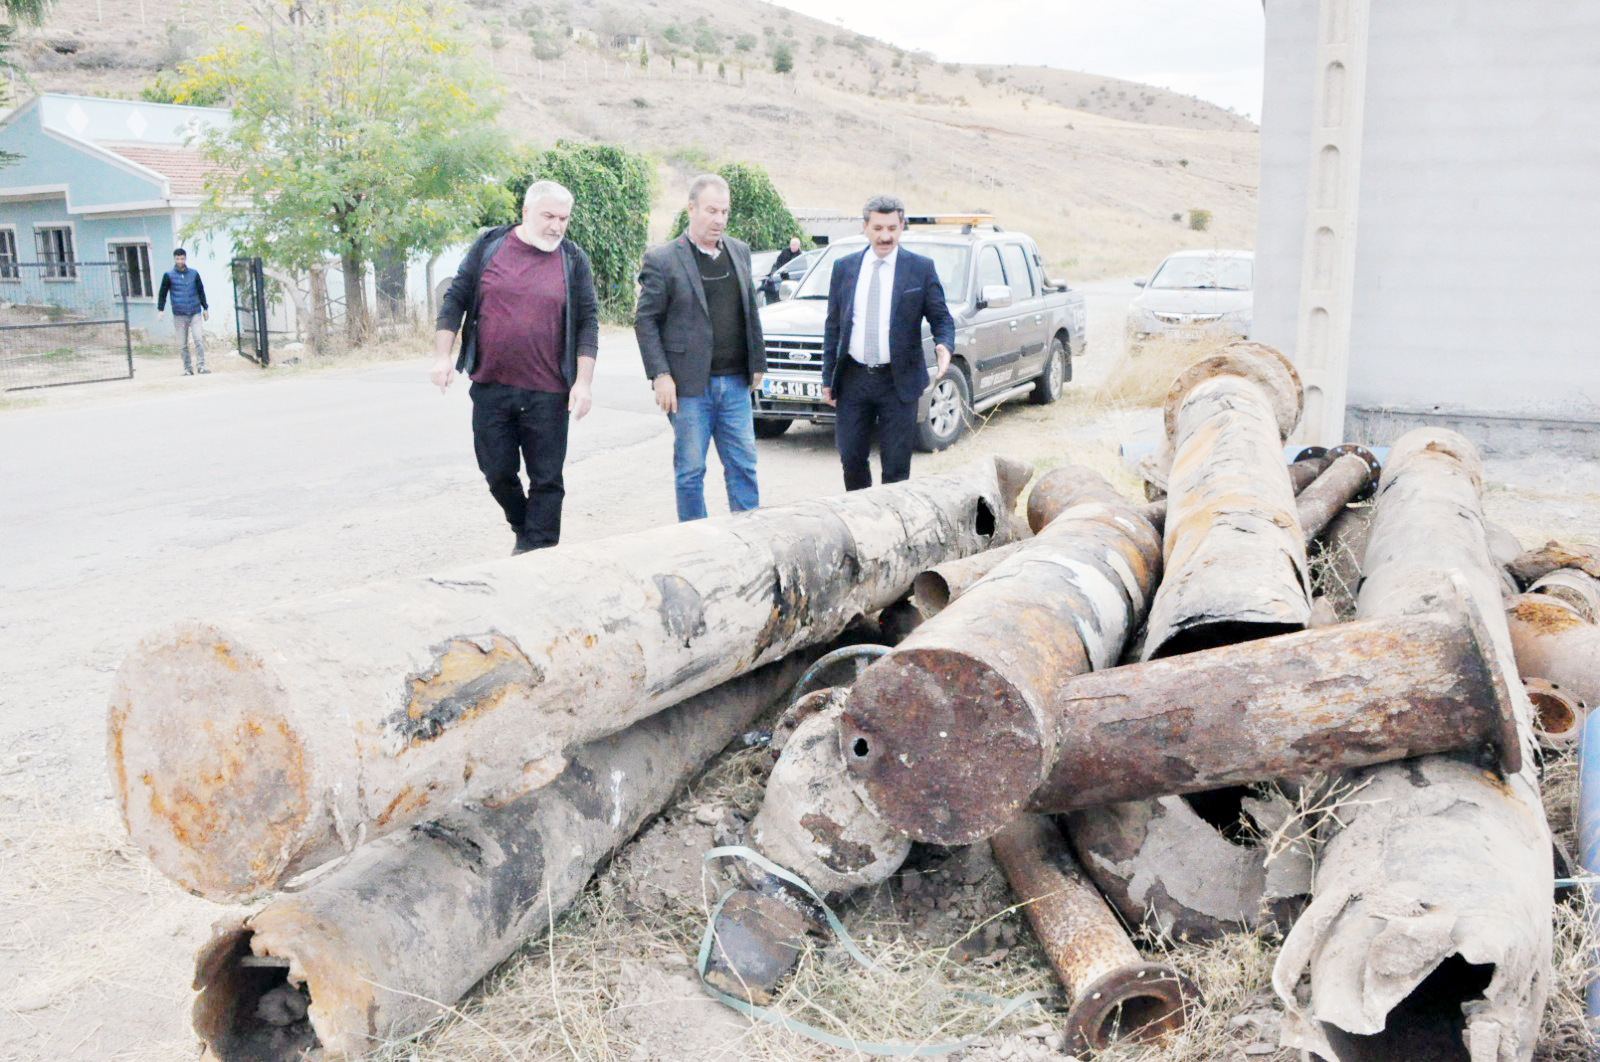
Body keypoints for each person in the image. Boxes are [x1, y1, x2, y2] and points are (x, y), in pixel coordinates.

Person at [431, 180, 599, 554]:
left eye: (564, 218)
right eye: (549, 216)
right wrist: (443, 355)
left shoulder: (572, 260)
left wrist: (583, 382)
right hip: (492, 386)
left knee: (546, 480)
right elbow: (455, 298)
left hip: (550, 392)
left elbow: (588, 322)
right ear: (525, 212)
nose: (557, 226)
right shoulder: (490, 246)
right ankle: (523, 526)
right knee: (497, 473)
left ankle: (538, 551)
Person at [635, 174, 767, 522]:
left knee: (743, 466)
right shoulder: (663, 259)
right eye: (712, 210)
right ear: (691, 208)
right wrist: (660, 375)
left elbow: (749, 310)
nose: (719, 219)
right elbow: (645, 321)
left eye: (725, 211)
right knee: (691, 471)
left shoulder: (739, 252)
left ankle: (751, 537)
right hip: (689, 388)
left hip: (735, 385)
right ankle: (696, 544)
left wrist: (758, 362)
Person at [821, 194, 954, 490]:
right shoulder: (844, 268)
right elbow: (833, 326)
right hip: (854, 379)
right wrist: (827, 378)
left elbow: (941, 318)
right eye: (878, 228)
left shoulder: (920, 269)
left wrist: (944, 345)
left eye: (892, 228)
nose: (885, 236)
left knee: (896, 467)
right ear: (865, 227)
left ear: (902, 226)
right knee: (851, 459)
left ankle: (893, 525)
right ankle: (861, 519)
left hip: (898, 382)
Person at [156, 248, 210, 375]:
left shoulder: (194, 274)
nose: (180, 261)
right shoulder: (168, 275)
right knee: (182, 343)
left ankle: (201, 366)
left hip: (195, 311)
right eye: (177, 259)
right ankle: (187, 368)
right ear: (174, 259)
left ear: (185, 259)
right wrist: (160, 310)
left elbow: (201, 291)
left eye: (182, 258)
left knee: (198, 339)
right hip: (179, 314)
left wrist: (205, 308)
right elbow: (162, 293)